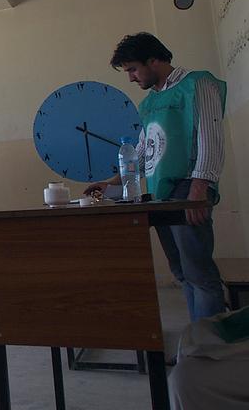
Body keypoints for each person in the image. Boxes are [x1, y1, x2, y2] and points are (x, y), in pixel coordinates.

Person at [85, 33, 227, 322]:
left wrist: (199, 189)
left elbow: (211, 138)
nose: (131, 79)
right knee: (181, 273)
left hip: (189, 188)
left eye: (133, 69)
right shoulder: (149, 104)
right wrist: (111, 183)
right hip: (161, 192)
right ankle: (196, 344)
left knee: (199, 274)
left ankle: (213, 351)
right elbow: (141, 150)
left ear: (154, 60)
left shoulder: (198, 84)